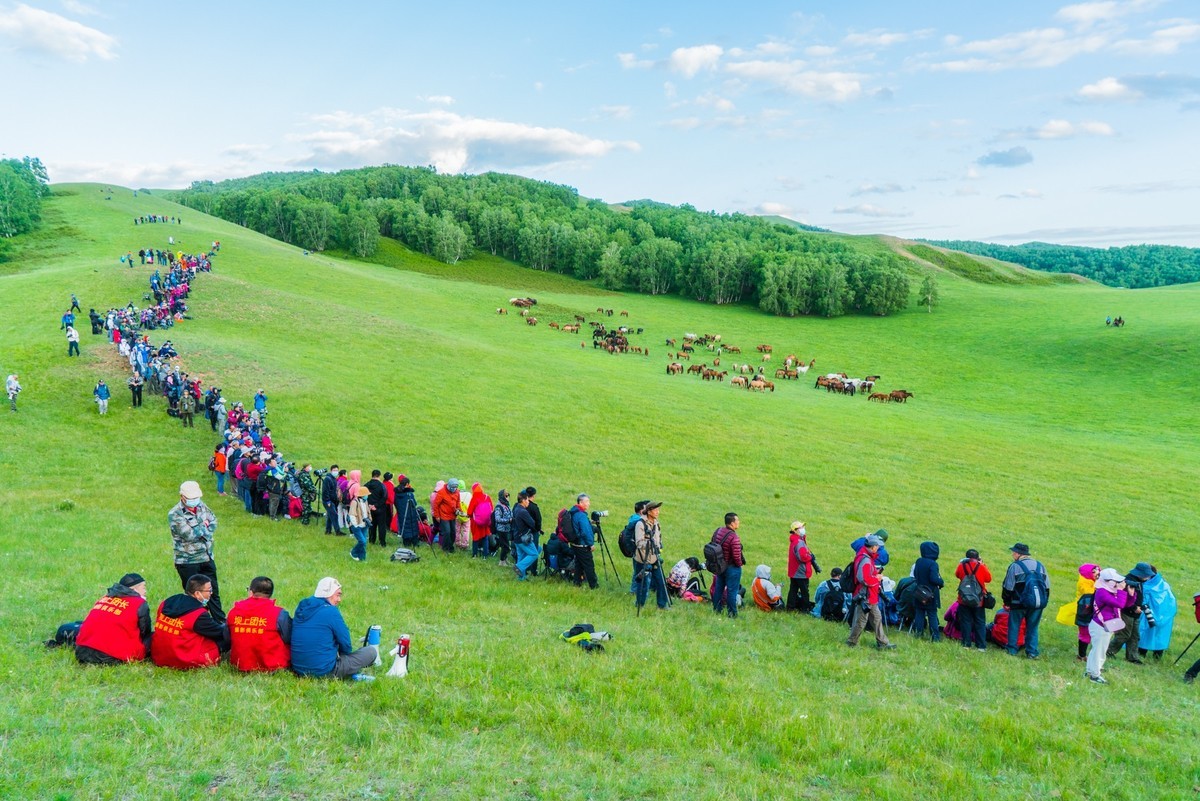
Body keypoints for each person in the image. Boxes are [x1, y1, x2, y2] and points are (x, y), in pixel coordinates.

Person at [290, 577, 380, 681]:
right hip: (324, 671)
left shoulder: (302, 609)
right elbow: (346, 646)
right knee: (371, 651)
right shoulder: (331, 612)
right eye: (338, 594)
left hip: (298, 669)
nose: (339, 599)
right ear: (328, 593)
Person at [169, 480, 224, 622]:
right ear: (182, 497)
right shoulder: (175, 514)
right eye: (191, 498)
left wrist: (203, 528)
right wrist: (204, 526)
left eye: (196, 498)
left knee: (213, 593)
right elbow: (189, 535)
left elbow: (213, 521)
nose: (195, 501)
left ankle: (220, 622)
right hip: (187, 560)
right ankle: (197, 621)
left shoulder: (202, 506)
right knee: (193, 597)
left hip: (206, 557)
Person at [150, 574, 227, 669]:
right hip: (182, 658)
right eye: (209, 590)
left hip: (159, 655)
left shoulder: (166, 603)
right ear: (198, 593)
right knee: (227, 637)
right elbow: (219, 632)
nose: (211, 593)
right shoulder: (198, 614)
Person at [75, 573, 153, 665]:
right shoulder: (139, 603)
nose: (145, 591)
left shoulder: (104, 598)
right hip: (110, 657)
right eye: (143, 587)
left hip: (81, 651)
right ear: (134, 589)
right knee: (154, 637)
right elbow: (144, 632)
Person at [228, 576, 292, 672]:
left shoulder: (234, 611)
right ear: (270, 594)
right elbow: (288, 637)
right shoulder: (279, 614)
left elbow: (227, 638)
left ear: (251, 592)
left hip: (240, 664)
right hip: (273, 666)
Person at [1086, 568, 1137, 684]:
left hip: (1107, 626)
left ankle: (1090, 671)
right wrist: (1121, 591)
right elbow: (1118, 603)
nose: (1118, 584)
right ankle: (1095, 675)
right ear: (1108, 581)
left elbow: (1124, 605)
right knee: (1100, 651)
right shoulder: (1102, 592)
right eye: (1116, 581)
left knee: (1097, 650)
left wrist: (1131, 595)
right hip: (1100, 626)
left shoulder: (1110, 591)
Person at [846, 535, 895, 649]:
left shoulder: (864, 556)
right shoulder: (866, 560)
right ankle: (852, 642)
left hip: (870, 595)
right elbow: (863, 578)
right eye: (877, 546)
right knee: (861, 621)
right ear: (873, 547)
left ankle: (882, 642)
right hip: (866, 595)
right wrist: (876, 578)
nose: (878, 548)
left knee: (877, 618)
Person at [1001, 542, 1049, 659]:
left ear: (1018, 554)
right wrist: (1042, 602)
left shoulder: (1015, 566)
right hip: (1036, 604)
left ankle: (1012, 650)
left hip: (1018, 603)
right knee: (1033, 627)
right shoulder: (1040, 566)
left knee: (1014, 626)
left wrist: (1007, 602)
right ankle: (1032, 652)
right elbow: (1047, 587)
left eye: (1014, 552)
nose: (1012, 554)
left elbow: (1008, 587)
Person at [1108, 562, 1154, 663]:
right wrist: (1134, 608)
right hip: (1127, 613)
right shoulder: (1127, 582)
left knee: (1135, 636)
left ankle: (1132, 657)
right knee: (1124, 635)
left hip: (1136, 614)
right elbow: (1123, 599)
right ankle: (1108, 651)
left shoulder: (1139, 581)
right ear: (1140, 574)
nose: (1148, 577)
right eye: (1146, 575)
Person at [1057, 564, 1099, 661]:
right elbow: (1089, 592)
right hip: (1083, 610)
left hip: (1091, 610)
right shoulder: (1084, 582)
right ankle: (1081, 655)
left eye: (1097, 571)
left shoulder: (1094, 581)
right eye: (1094, 572)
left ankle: (1083, 654)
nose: (1097, 573)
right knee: (1085, 632)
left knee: (1089, 632)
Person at [954, 549, 993, 651]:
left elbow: (957, 575)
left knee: (965, 621)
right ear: (977, 557)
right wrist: (983, 564)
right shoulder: (981, 567)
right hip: (978, 600)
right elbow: (988, 578)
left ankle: (966, 644)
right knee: (980, 622)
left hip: (964, 599)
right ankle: (981, 646)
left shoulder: (961, 566)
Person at [633, 501, 668, 611]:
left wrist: (658, 545)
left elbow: (658, 538)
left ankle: (662, 605)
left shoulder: (656, 523)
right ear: (649, 511)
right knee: (643, 584)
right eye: (655, 510)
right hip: (643, 559)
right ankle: (640, 604)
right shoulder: (640, 524)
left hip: (655, 558)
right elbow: (638, 543)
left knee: (661, 582)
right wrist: (650, 543)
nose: (658, 512)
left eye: (658, 510)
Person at [710, 512, 746, 618]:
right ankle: (732, 613)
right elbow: (736, 556)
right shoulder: (734, 537)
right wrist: (739, 565)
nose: (738, 522)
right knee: (732, 591)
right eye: (737, 520)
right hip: (731, 568)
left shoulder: (718, 531)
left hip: (720, 566)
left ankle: (717, 609)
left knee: (719, 588)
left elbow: (712, 543)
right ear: (732, 523)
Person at [1138, 566, 1177, 660]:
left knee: (1146, 635)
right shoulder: (1165, 585)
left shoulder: (1145, 587)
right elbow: (1171, 602)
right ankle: (1157, 657)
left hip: (1148, 616)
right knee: (1160, 636)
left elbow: (1142, 601)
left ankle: (1141, 654)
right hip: (1165, 617)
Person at [911, 541, 944, 641]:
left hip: (919, 591)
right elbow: (934, 578)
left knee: (919, 613)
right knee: (932, 614)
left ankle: (918, 633)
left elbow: (915, 574)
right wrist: (941, 582)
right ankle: (935, 636)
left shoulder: (919, 561)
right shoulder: (933, 564)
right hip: (931, 593)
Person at [786, 521, 818, 612]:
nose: (803, 529)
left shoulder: (795, 540)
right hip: (801, 572)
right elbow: (803, 557)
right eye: (801, 528)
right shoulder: (799, 542)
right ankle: (805, 609)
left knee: (793, 590)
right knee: (804, 592)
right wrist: (810, 557)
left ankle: (790, 607)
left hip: (794, 571)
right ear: (795, 531)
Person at [568, 494, 598, 589]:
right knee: (589, 565)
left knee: (579, 564)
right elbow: (586, 531)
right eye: (587, 501)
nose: (589, 504)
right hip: (582, 545)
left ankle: (577, 582)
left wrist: (588, 522)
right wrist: (591, 544)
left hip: (574, 544)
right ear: (581, 502)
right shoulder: (581, 515)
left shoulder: (573, 511)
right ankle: (594, 586)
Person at [512, 491, 540, 580]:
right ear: (523, 500)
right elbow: (532, 523)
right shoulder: (523, 511)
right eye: (527, 500)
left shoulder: (516, 508)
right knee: (535, 553)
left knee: (521, 556)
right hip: (523, 538)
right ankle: (519, 567)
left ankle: (521, 578)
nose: (528, 502)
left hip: (516, 537)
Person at [467, 482, 494, 558]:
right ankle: (485, 555)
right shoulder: (487, 497)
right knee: (485, 537)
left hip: (476, 522)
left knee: (475, 537)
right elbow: (491, 508)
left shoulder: (474, 498)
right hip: (486, 521)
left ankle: (474, 554)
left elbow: (469, 512)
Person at [433, 479, 459, 553]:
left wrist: (458, 509)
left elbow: (457, 502)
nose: (454, 489)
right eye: (452, 487)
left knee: (453, 533)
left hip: (453, 516)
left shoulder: (457, 492)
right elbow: (436, 505)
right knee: (447, 532)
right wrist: (437, 516)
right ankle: (445, 548)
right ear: (449, 486)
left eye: (455, 488)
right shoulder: (441, 492)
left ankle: (450, 546)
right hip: (444, 516)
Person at [393, 475, 420, 548]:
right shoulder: (409, 494)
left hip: (402, 512)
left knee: (404, 526)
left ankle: (406, 541)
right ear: (407, 484)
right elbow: (414, 503)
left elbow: (395, 502)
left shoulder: (397, 493)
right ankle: (414, 541)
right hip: (410, 512)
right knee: (412, 526)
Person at [348, 485, 371, 562]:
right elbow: (352, 514)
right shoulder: (354, 502)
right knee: (362, 541)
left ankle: (362, 558)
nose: (367, 496)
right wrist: (356, 525)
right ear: (363, 495)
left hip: (364, 525)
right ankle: (353, 552)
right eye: (366, 494)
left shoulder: (366, 501)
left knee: (364, 542)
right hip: (357, 525)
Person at [365, 470, 388, 547]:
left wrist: (370, 505)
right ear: (379, 476)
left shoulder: (366, 485)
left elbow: (363, 496)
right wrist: (376, 505)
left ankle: (372, 540)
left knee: (372, 525)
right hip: (380, 509)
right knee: (381, 526)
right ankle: (382, 542)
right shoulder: (382, 485)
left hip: (369, 508)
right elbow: (384, 497)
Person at [493, 489, 514, 566]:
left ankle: (505, 559)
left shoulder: (506, 504)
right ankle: (501, 561)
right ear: (502, 496)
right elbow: (497, 519)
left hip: (507, 529)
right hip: (501, 529)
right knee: (506, 546)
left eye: (508, 495)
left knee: (506, 545)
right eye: (506, 495)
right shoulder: (499, 507)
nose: (508, 497)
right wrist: (508, 520)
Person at [322, 465, 343, 535]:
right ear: (331, 471)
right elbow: (325, 491)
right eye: (334, 470)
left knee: (330, 516)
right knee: (334, 515)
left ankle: (328, 531)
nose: (336, 472)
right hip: (328, 501)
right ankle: (338, 531)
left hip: (333, 501)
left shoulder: (334, 479)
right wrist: (327, 501)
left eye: (337, 470)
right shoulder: (327, 479)